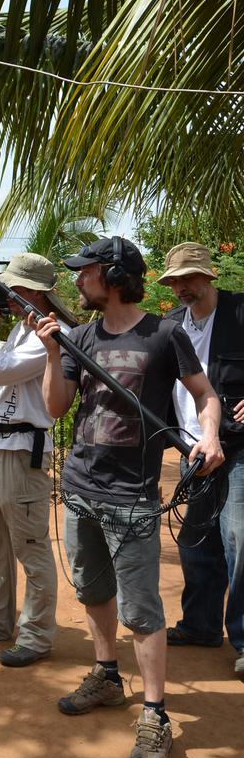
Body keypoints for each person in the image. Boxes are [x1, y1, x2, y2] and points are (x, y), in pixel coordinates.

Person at [30, 236, 223, 758]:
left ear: (114, 276)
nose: (77, 281)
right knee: (92, 589)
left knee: (141, 610)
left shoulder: (164, 334)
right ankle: (107, 676)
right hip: (80, 485)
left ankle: (155, 713)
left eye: (85, 272)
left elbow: (206, 395)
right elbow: (55, 406)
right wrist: (52, 352)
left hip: (133, 495)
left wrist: (209, 436)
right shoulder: (82, 336)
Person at [0, 253, 77, 667]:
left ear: (36, 292)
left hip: (22, 453)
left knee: (30, 545)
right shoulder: (26, 328)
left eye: (13, 289)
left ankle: (37, 635)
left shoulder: (55, 333)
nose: (5, 297)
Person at [157, 242, 244, 678]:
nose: (182, 288)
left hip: (238, 449)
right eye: (175, 281)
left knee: (239, 542)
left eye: (189, 278)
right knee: (196, 542)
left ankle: (243, 638)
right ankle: (201, 625)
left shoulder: (240, 312)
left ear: (209, 276)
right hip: (190, 450)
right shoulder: (171, 324)